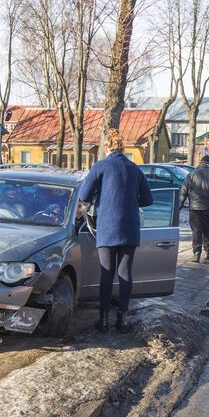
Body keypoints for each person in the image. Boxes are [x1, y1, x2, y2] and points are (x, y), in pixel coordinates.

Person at [78, 129, 153, 333]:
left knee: (106, 273)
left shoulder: (101, 166)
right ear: (122, 147)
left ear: (106, 147)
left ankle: (103, 320)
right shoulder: (135, 169)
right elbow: (148, 200)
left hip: (108, 227)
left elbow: (84, 195)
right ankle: (122, 319)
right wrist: (129, 200)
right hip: (130, 228)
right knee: (125, 273)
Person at [179, 154, 209, 263]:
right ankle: (208, 252)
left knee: (197, 231)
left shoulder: (191, 175)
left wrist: (178, 207)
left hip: (195, 209)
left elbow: (183, 192)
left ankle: (197, 254)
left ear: (200, 163)